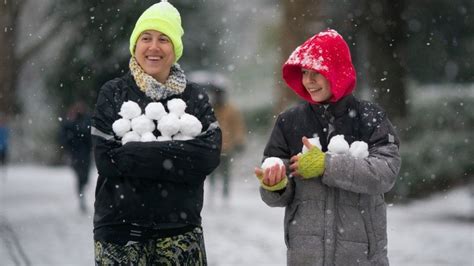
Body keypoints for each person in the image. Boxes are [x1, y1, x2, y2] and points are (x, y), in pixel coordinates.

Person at [254, 29, 401, 265]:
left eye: (316, 73)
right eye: (304, 72)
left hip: (362, 258)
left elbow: (385, 173)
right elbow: (277, 196)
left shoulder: (370, 117)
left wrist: (327, 165)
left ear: (336, 72)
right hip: (306, 257)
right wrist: (275, 185)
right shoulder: (289, 122)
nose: (308, 81)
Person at [90, 1, 221, 265]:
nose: (153, 47)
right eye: (146, 38)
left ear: (175, 49)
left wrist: (133, 151)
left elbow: (208, 156)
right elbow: (107, 159)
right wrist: (177, 155)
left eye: (164, 39)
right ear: (135, 45)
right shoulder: (113, 92)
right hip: (119, 232)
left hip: (180, 232)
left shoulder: (193, 96)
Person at [190, 72, 246, 200]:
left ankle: (225, 196)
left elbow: (238, 126)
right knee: (213, 174)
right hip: (212, 147)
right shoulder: (209, 107)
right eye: (216, 94)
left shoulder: (231, 109)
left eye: (219, 94)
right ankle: (212, 195)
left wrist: (239, 141)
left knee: (225, 174)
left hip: (226, 147)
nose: (217, 96)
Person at [59, 101, 92, 212]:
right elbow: (63, 135)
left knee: (85, 177)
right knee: (80, 176)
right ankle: (81, 195)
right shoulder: (70, 121)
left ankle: (82, 191)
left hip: (85, 153)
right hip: (75, 154)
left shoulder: (87, 119)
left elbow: (90, 134)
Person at [0, 113, 9, 181]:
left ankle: (3, 171)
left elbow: (6, 138)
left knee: (3, 160)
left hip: (4, 147)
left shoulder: (5, 129)